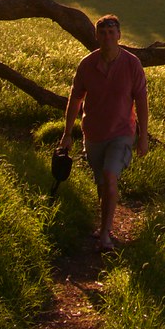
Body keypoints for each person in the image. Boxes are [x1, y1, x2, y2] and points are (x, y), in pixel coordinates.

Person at [58, 13, 149, 251]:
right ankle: (104, 224)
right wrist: (67, 133)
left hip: (121, 133)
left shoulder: (132, 64)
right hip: (94, 133)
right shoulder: (87, 65)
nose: (107, 37)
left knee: (109, 177)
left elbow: (141, 101)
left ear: (119, 35)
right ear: (96, 36)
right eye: (103, 33)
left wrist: (143, 136)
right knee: (101, 182)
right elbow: (75, 99)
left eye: (111, 33)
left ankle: (106, 235)